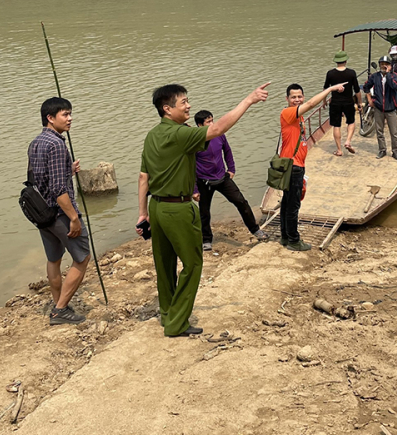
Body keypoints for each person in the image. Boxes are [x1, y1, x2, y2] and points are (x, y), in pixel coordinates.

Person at [137, 83, 269, 337]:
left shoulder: (152, 135)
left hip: (157, 207)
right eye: (183, 102)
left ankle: (167, 314)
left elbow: (144, 177)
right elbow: (218, 128)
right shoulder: (179, 133)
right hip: (178, 208)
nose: (188, 106)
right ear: (167, 109)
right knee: (193, 263)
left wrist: (143, 213)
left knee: (164, 265)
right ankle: (177, 323)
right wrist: (249, 100)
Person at [27, 97, 90, 326]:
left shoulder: (35, 143)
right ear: (50, 118)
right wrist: (73, 217)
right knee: (82, 258)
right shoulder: (56, 144)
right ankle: (61, 310)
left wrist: (67, 170)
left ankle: (57, 303)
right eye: (65, 114)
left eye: (70, 113)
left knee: (53, 259)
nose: (70, 118)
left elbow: (38, 179)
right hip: (59, 214)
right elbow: (57, 189)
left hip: (42, 214)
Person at [279, 81, 345, 251]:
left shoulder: (298, 117)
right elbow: (310, 104)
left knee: (287, 202)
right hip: (293, 166)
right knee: (293, 205)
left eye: (299, 96)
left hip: (293, 164)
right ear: (287, 99)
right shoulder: (288, 113)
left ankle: (285, 236)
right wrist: (330, 89)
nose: (297, 99)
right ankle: (294, 240)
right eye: (293, 97)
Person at [192, 110, 269, 252]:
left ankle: (256, 230)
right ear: (199, 125)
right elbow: (189, 167)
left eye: (212, 120)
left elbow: (227, 151)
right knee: (204, 212)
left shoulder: (219, 134)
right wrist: (194, 190)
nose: (212, 124)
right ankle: (207, 240)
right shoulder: (194, 141)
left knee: (241, 202)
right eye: (208, 122)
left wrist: (231, 169)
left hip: (222, 178)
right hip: (204, 182)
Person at [323, 50, 363, 157]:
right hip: (348, 102)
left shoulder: (330, 73)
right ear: (345, 61)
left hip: (335, 103)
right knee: (351, 122)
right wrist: (360, 103)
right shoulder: (351, 73)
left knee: (336, 125)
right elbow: (357, 90)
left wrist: (323, 102)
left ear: (336, 61)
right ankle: (348, 141)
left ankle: (339, 150)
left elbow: (326, 89)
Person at [363, 55, 397, 161]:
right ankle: (382, 150)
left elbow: (395, 86)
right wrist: (370, 100)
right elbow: (366, 87)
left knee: (394, 132)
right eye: (382, 64)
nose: (384, 66)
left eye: (386, 64)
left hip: (390, 109)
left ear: (390, 66)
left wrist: (388, 74)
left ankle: (395, 152)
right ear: (379, 65)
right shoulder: (375, 76)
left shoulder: (394, 76)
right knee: (379, 131)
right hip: (379, 108)